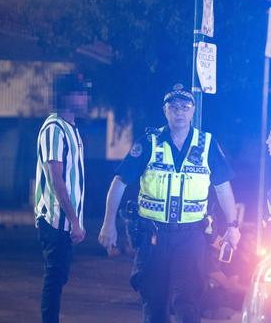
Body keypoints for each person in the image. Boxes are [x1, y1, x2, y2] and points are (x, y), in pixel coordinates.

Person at [98, 83, 241, 323]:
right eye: (173, 107)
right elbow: (120, 182)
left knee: (188, 302)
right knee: (154, 302)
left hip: (191, 235)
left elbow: (223, 187)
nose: (179, 112)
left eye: (185, 107)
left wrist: (233, 226)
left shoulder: (206, 145)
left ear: (193, 111)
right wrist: (107, 223)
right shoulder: (149, 142)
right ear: (165, 111)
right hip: (153, 235)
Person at [34, 73, 90, 323]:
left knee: (59, 277)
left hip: (66, 221)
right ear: (65, 97)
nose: (85, 97)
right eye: (79, 93)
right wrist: (74, 221)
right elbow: (57, 179)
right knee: (54, 278)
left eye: (85, 92)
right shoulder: (54, 129)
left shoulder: (72, 130)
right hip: (55, 219)